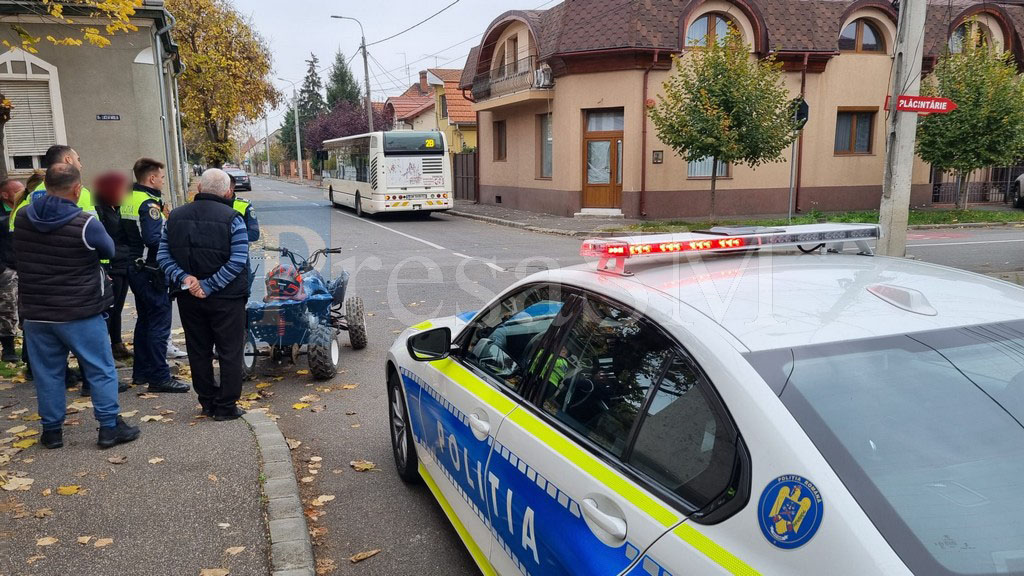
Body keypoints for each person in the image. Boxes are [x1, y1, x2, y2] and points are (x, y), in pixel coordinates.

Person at [13, 163, 140, 449]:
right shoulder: (85, 223)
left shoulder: (22, 217)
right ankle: (109, 427)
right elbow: (107, 249)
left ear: (46, 187)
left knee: (48, 373)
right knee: (100, 368)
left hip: (37, 312)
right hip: (80, 310)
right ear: (76, 189)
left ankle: (52, 431)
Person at [158, 169, 249, 421]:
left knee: (198, 350)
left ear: (199, 187)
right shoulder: (233, 218)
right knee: (230, 351)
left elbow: (162, 256)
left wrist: (185, 279)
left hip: (188, 297)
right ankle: (226, 407)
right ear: (228, 191)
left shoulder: (174, 217)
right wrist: (209, 285)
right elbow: (238, 259)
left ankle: (207, 403)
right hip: (227, 298)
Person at [121, 158, 188, 393]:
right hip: (150, 270)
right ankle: (160, 377)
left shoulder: (128, 197)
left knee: (145, 321)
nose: (162, 180)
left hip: (135, 266)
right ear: (151, 178)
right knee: (159, 323)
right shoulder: (149, 203)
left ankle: (142, 371)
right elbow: (153, 238)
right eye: (161, 177)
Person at [94, 172, 132, 361]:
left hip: (123, 263)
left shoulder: (117, 208)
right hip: (111, 266)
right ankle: (103, 351)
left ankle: (116, 344)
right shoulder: (99, 209)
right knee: (108, 309)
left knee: (117, 308)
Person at [0, 179, 25, 361]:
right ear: (5, 195)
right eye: (17, 191)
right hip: (6, 270)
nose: (22, 193)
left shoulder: (23, 210)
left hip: (25, 267)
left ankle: (28, 351)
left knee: (27, 309)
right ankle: (8, 350)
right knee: (7, 309)